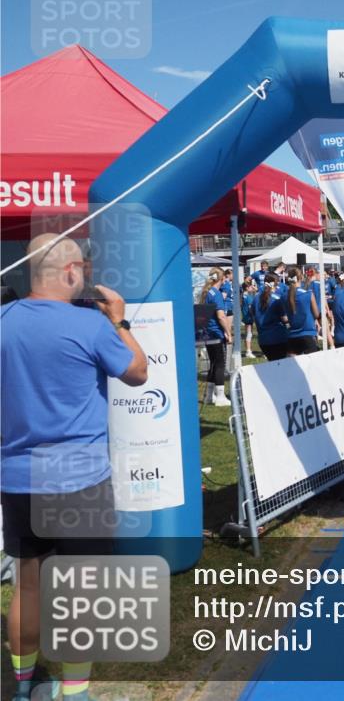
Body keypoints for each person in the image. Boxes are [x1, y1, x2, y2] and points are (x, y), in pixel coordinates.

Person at [2, 234, 148, 701]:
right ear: (70, 272)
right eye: (82, 268)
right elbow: (139, 371)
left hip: (19, 476)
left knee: (28, 584)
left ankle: (23, 686)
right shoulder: (90, 325)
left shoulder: (3, 320)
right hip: (79, 478)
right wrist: (120, 319)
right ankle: (75, 689)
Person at [199, 267, 232, 405]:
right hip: (216, 333)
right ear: (222, 278)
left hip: (207, 333)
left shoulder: (206, 292)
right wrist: (228, 333)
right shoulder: (216, 294)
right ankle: (220, 396)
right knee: (219, 364)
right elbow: (221, 316)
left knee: (213, 363)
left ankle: (209, 396)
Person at [252, 274, 290, 361]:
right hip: (278, 339)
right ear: (275, 285)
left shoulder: (256, 298)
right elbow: (285, 319)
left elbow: (254, 315)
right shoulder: (276, 299)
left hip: (263, 340)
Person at [240, 280, 257, 358]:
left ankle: (248, 350)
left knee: (248, 333)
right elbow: (251, 308)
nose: (252, 288)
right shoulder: (248, 297)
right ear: (247, 288)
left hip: (246, 316)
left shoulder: (244, 295)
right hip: (248, 317)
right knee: (249, 334)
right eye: (251, 287)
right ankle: (248, 351)